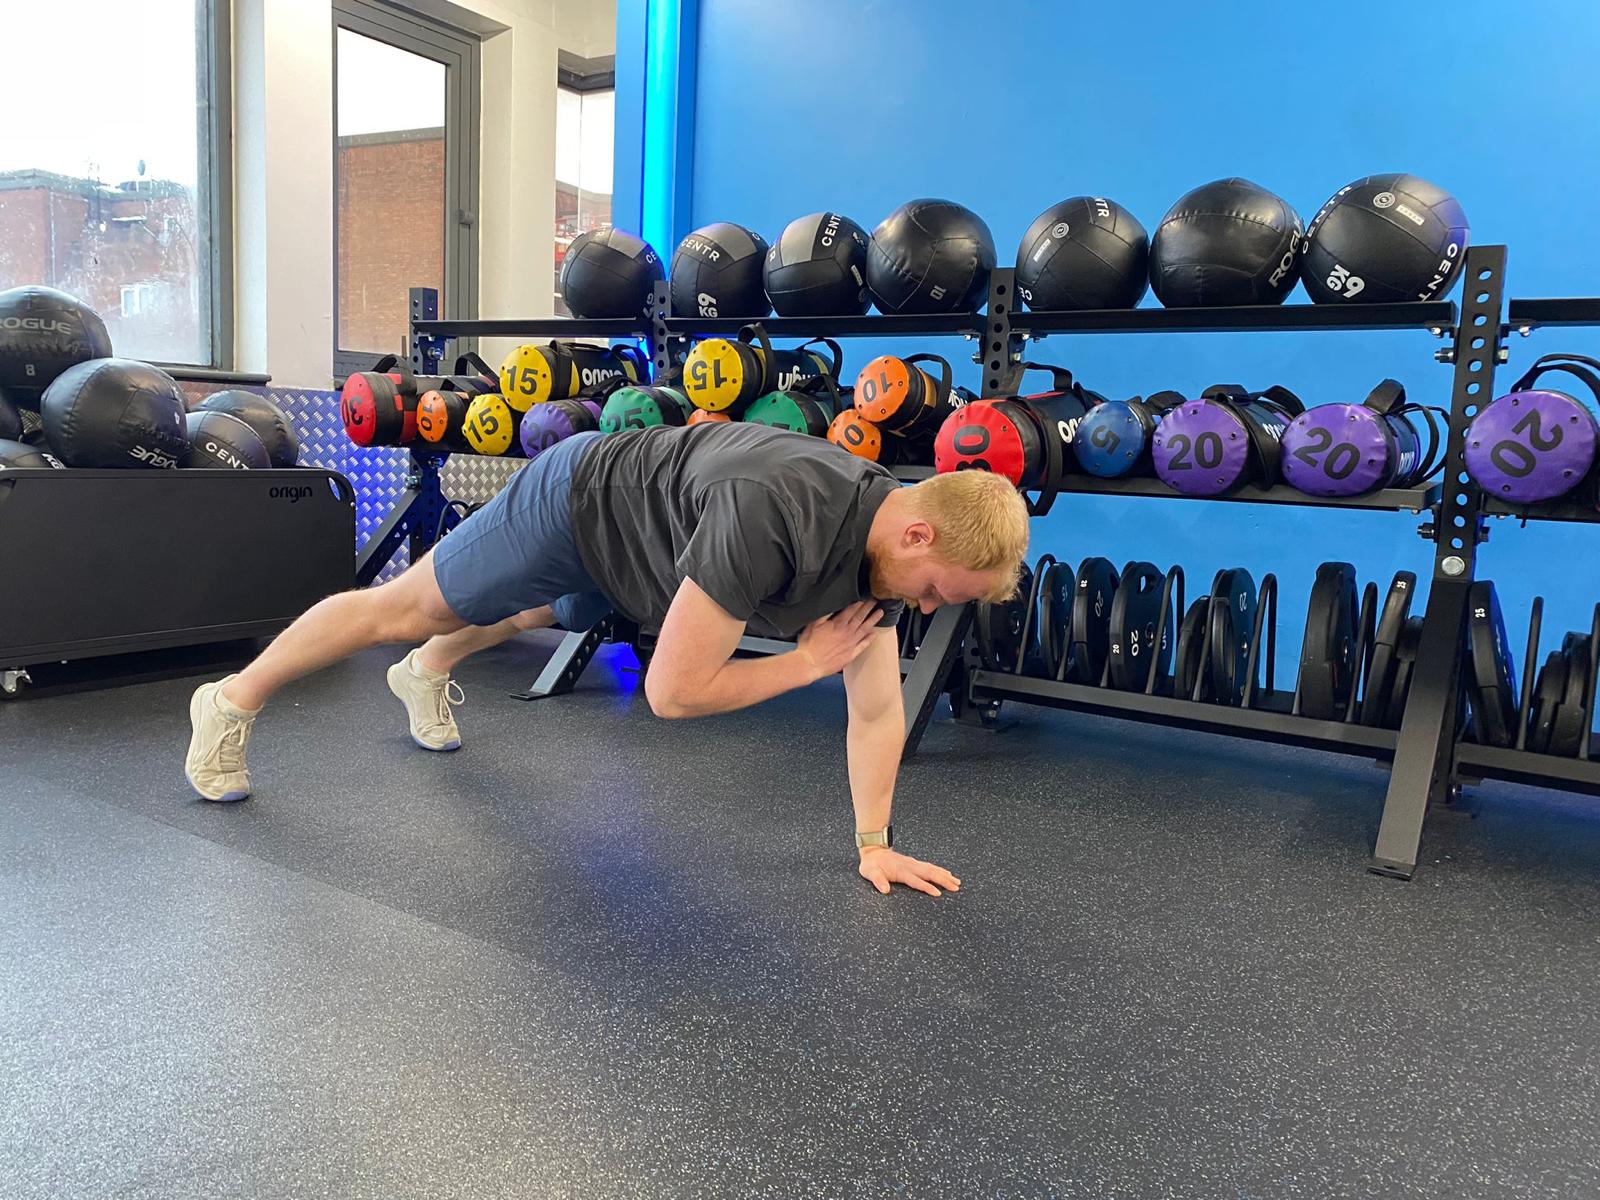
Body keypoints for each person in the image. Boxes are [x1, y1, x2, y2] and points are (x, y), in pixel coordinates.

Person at [185, 422, 1030, 896]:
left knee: (541, 608)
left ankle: (430, 669)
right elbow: (674, 693)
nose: (923, 609)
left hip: (656, 547)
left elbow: (879, 707)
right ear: (917, 530)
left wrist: (874, 843)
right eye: (934, 589)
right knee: (401, 609)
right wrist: (805, 664)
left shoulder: (889, 557)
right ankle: (231, 699)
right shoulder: (777, 514)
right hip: (580, 499)